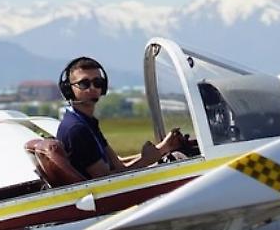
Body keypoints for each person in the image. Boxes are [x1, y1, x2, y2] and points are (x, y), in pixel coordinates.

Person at [56, 56, 184, 179]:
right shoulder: (76, 129)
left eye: (97, 82)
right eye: (84, 84)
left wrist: (163, 149)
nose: (92, 88)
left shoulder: (86, 122)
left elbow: (118, 165)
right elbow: (106, 180)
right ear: (69, 89)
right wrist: (146, 160)